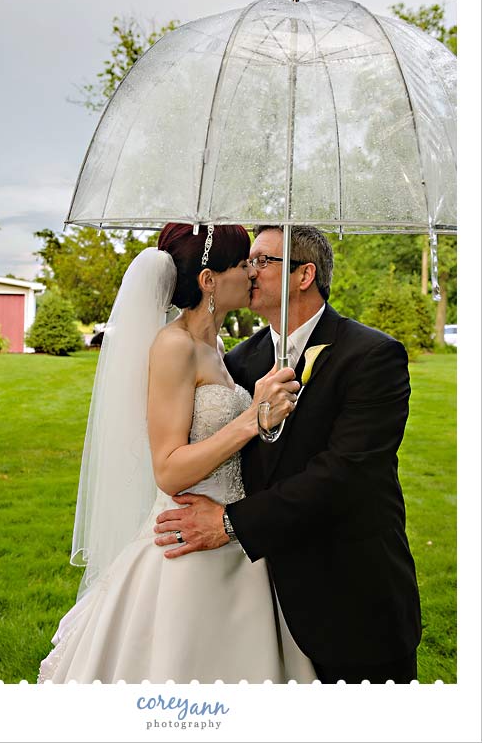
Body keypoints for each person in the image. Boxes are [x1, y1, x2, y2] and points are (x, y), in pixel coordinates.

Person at [155, 224, 422, 684]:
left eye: (263, 261)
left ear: (304, 276)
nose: (249, 272)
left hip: (350, 596)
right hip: (254, 594)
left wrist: (229, 523)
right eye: (248, 262)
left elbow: (345, 474)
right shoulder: (236, 361)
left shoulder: (373, 356)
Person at [38, 223, 302, 683]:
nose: (252, 274)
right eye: (243, 265)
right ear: (208, 280)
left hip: (231, 539)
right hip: (184, 542)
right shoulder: (174, 347)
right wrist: (251, 419)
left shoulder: (217, 348)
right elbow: (168, 468)